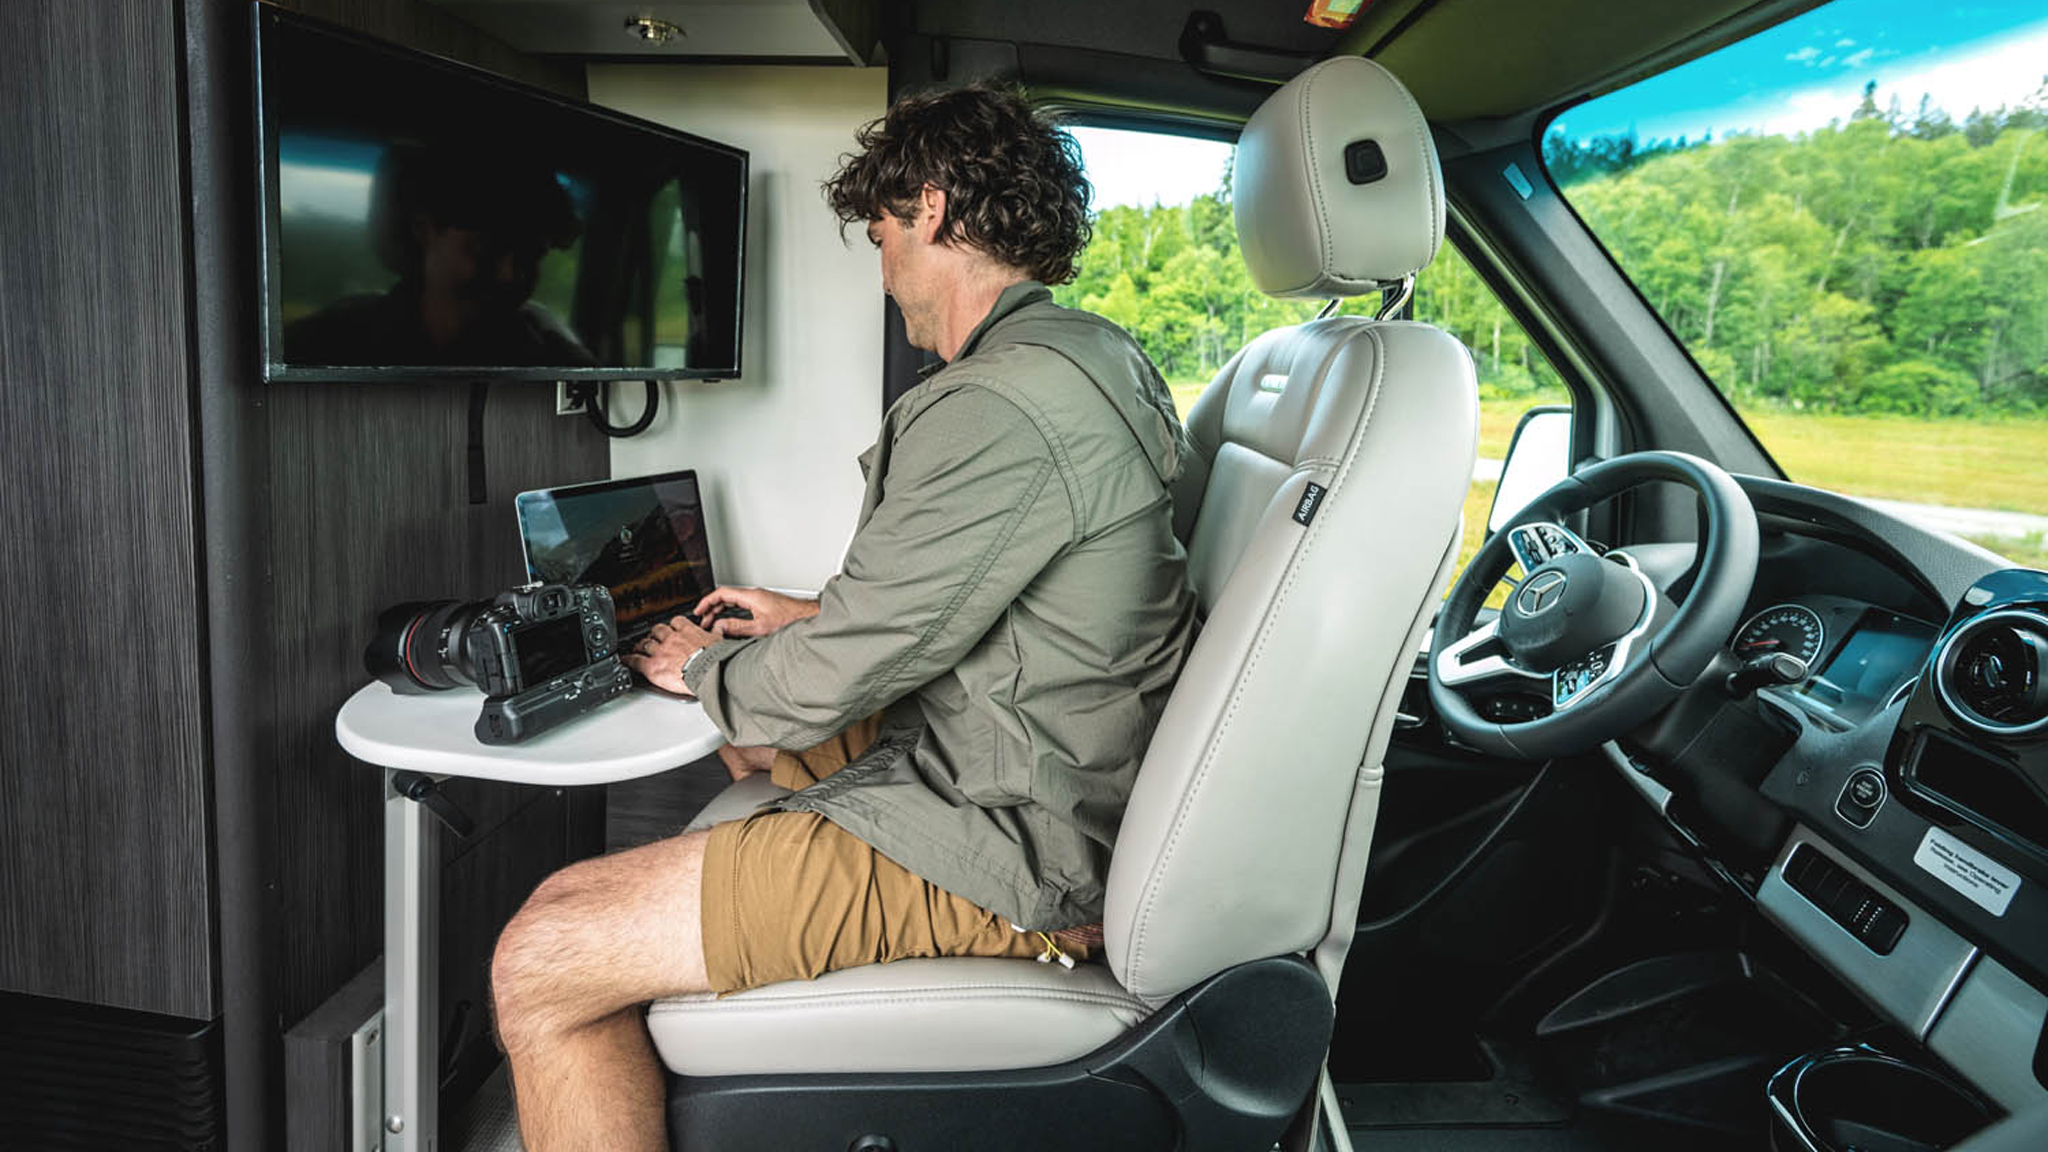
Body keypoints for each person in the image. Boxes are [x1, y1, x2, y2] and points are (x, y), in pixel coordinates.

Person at [488, 84, 1198, 1149]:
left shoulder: (996, 404)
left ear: (933, 207)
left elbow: (834, 678)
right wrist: (809, 615)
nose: (884, 272)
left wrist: (699, 670)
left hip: (1013, 838)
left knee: (542, 950)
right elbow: (1020, 598)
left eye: (879, 236)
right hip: (1041, 763)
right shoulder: (1098, 360)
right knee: (762, 734)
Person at [283, 142, 595, 369]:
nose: (508, 274)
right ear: (424, 229)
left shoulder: (554, 356)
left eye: (532, 254)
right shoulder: (328, 341)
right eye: (485, 248)